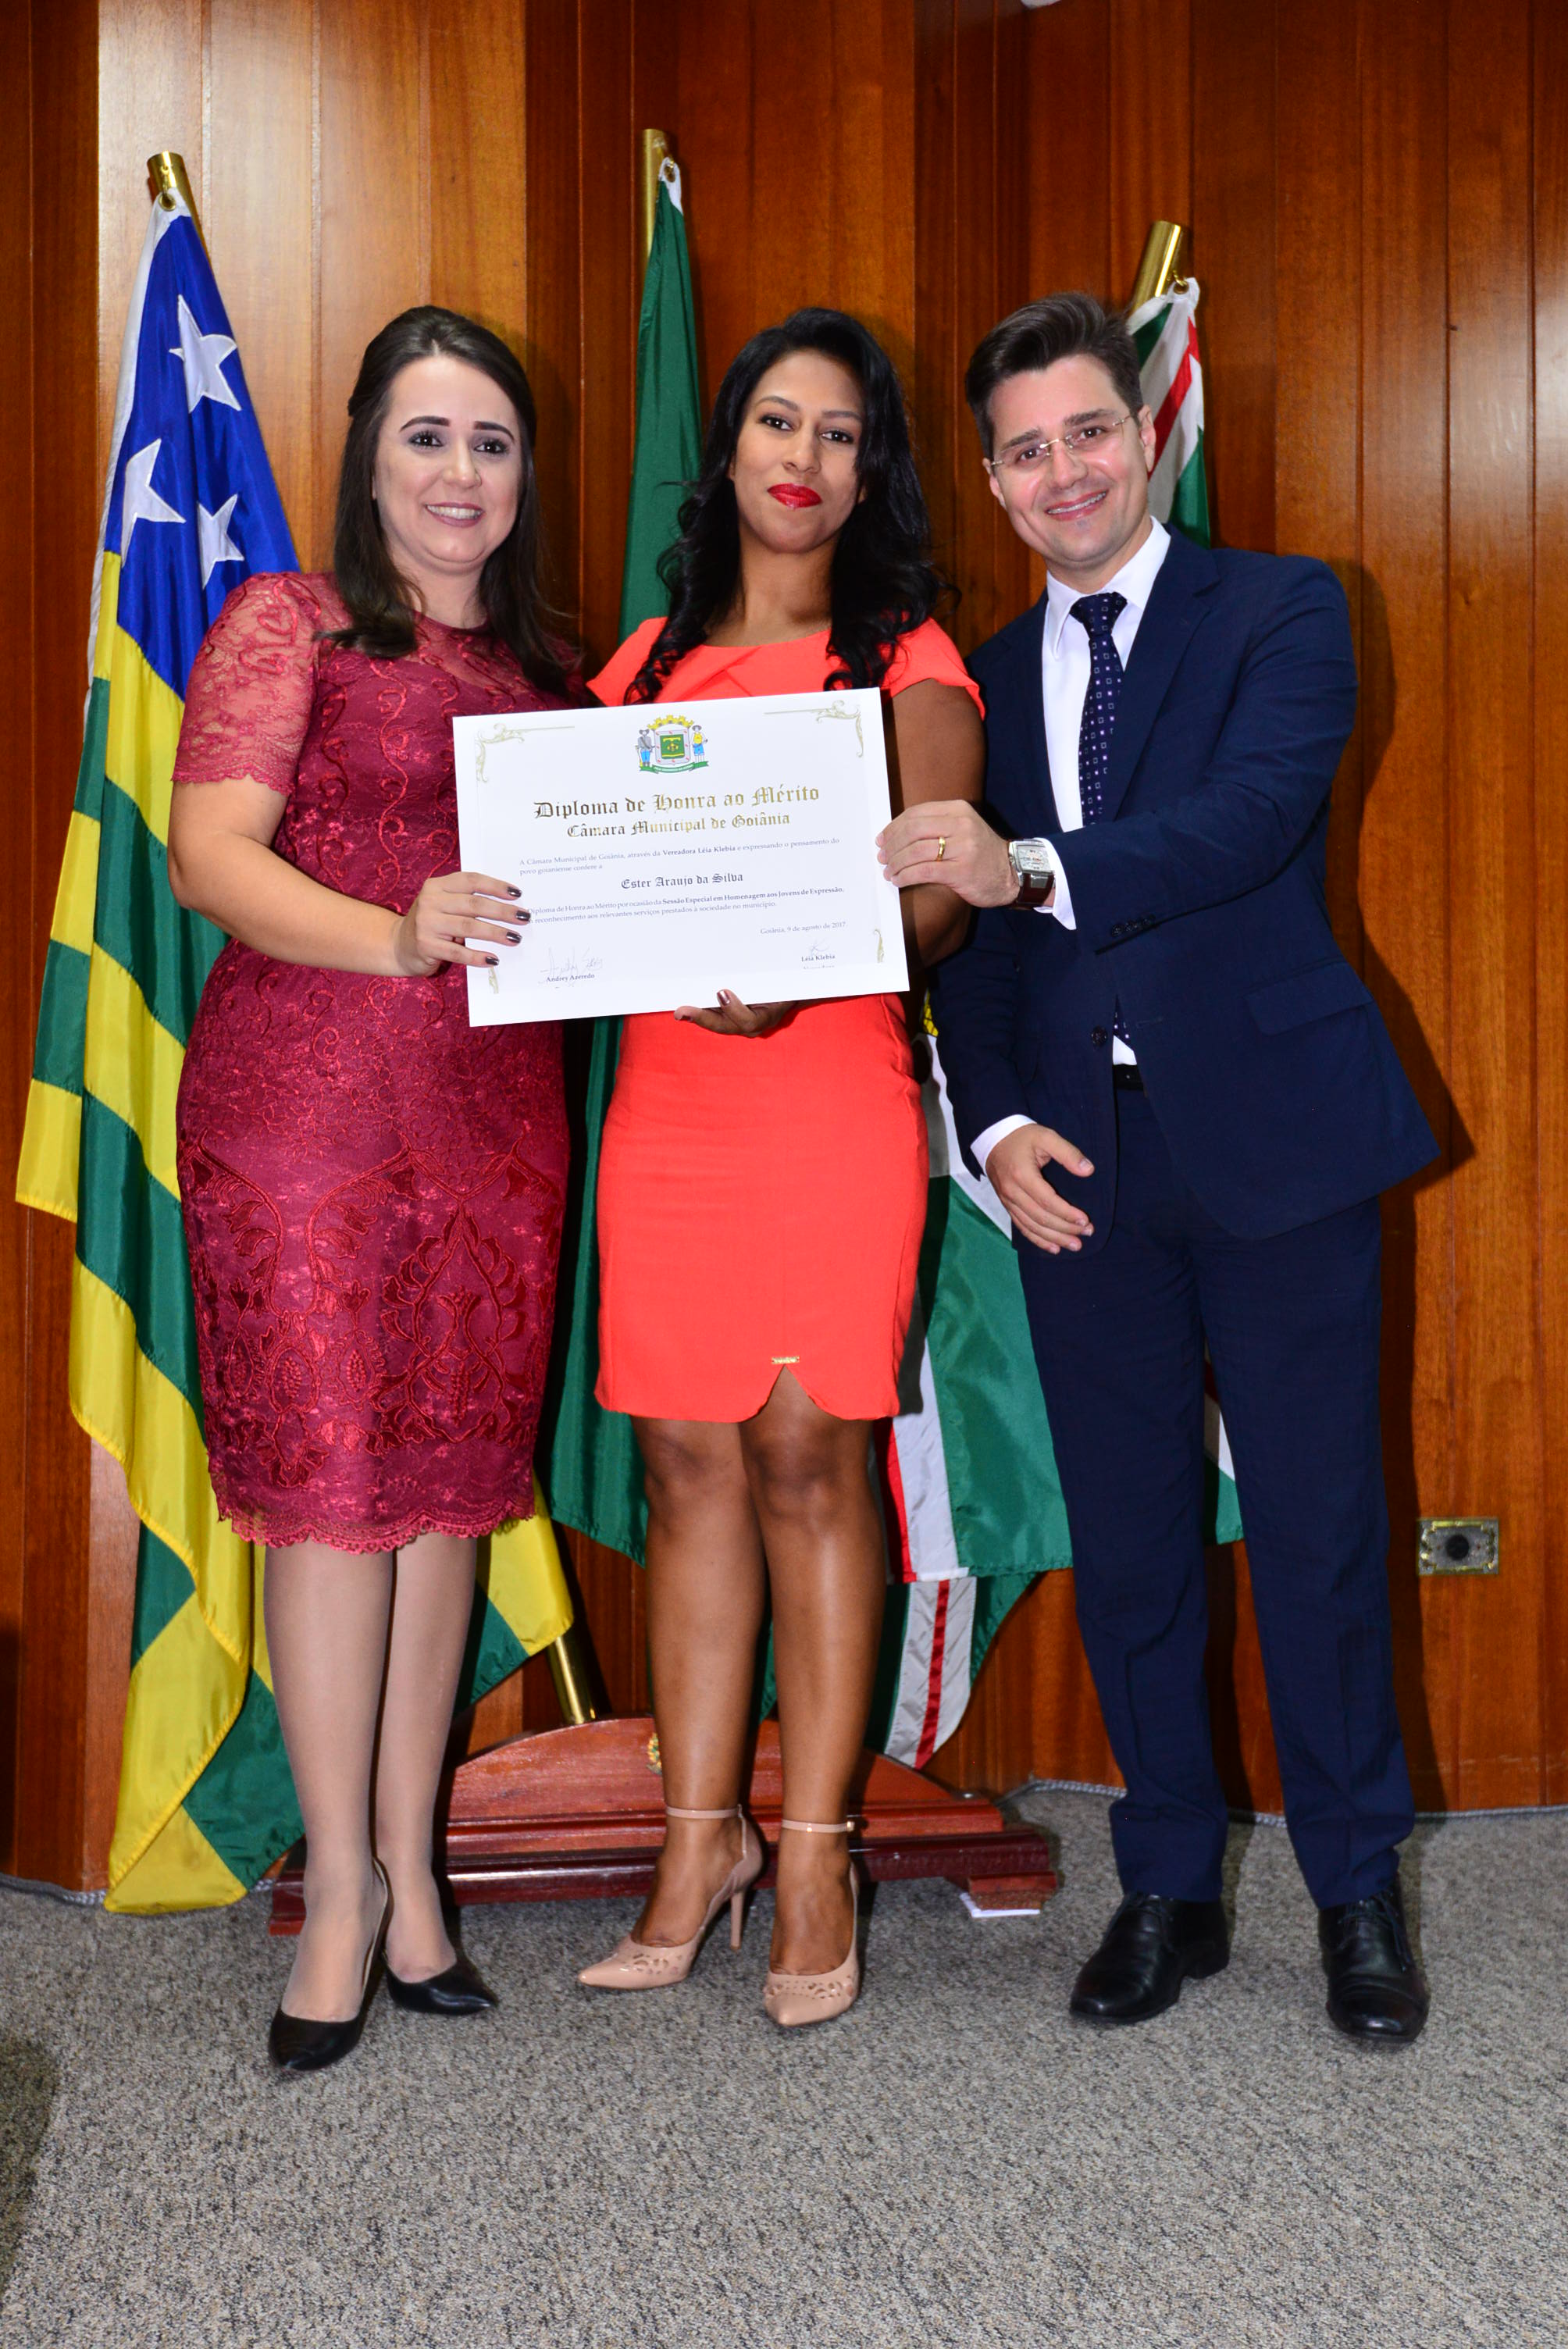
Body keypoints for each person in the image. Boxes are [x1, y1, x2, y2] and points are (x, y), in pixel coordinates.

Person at [880, 292, 1438, 2043]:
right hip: (1078, 1172)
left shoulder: (1284, 607)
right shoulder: (969, 681)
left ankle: (1355, 1892)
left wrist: (1032, 864)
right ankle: (1169, 1887)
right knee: (1131, 1549)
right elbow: (966, 951)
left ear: (1147, 436)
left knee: (1319, 1536)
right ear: (992, 480)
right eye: (1024, 450)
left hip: (1278, 1148)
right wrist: (990, 1126)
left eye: (1088, 433)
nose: (1063, 472)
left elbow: (1249, 821)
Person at [168, 308, 575, 2071]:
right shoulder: (293, 620)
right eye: (426, 435)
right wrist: (398, 936)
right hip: (302, 1122)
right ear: (366, 455)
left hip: (495, 1128)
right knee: (337, 1500)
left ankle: (416, 1877)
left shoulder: (554, 672)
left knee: (447, 1503)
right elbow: (209, 856)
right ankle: (335, 1891)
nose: (459, 472)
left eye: (490, 440)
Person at [579, 308, 984, 2027]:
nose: (802, 458)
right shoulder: (641, 662)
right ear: (729, 444)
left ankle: (813, 1854)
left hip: (828, 1092)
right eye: (775, 421)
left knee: (812, 1457)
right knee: (683, 1463)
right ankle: (699, 1846)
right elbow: (581, 873)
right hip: (668, 1108)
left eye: (838, 432)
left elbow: (942, 890)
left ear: (868, 471)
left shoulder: (909, 658)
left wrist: (804, 975)